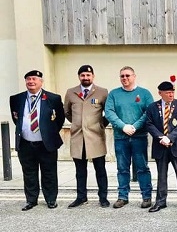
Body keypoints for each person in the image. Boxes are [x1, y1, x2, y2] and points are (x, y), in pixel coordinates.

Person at [9, 70, 65, 211]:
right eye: (28, 79)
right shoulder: (16, 99)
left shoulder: (53, 98)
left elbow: (59, 119)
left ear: (41, 81)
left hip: (46, 144)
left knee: (49, 173)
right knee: (29, 173)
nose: (31, 82)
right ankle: (31, 200)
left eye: (34, 79)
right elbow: (16, 119)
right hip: (26, 143)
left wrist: (48, 133)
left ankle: (51, 199)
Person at [104, 66, 154, 209]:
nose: (125, 78)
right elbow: (109, 112)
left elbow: (149, 112)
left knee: (142, 167)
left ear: (134, 76)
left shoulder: (144, 93)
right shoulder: (114, 94)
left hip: (139, 137)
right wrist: (123, 126)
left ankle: (146, 196)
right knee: (122, 168)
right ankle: (123, 196)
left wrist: (135, 126)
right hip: (121, 137)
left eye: (127, 75)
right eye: (122, 76)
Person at [63, 65, 110, 208]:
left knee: (100, 169)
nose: (86, 78)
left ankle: (103, 197)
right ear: (79, 77)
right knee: (80, 171)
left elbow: (108, 112)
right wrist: (78, 123)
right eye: (83, 75)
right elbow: (67, 112)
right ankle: (81, 197)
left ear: (93, 76)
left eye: (88, 75)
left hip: (95, 136)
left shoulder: (102, 92)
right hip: (78, 137)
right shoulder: (71, 92)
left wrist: (100, 125)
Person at [145, 81, 177, 212]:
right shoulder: (152, 107)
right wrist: (161, 137)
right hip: (160, 145)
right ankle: (160, 202)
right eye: (167, 93)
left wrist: (170, 137)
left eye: (172, 92)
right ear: (160, 93)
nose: (171, 94)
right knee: (161, 175)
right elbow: (149, 124)